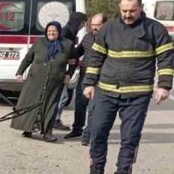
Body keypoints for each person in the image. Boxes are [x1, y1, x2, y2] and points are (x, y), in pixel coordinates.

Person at [77, 0, 173, 174]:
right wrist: (89, 83)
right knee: (97, 132)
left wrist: (164, 86)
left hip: (137, 94)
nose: (128, 15)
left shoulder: (155, 29)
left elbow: (166, 58)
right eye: (124, 11)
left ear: (141, 8)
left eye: (132, 11)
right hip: (106, 91)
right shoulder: (109, 28)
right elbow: (96, 57)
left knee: (130, 138)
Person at [11, 21, 78, 142]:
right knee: (31, 104)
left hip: (55, 82)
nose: (51, 33)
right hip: (35, 80)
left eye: (54, 31)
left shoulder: (67, 45)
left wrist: (69, 74)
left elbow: (74, 61)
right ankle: (28, 129)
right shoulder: (39, 43)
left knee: (51, 106)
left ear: (59, 32)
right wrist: (20, 72)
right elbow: (28, 59)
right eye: (49, 31)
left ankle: (47, 132)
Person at [63, 13, 107, 144]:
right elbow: (79, 51)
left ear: (105, 25)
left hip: (100, 77)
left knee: (94, 107)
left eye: (97, 25)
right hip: (85, 75)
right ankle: (77, 129)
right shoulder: (88, 37)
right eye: (92, 25)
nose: (94, 27)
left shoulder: (110, 39)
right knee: (80, 104)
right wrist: (68, 56)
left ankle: (89, 135)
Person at [53, 11, 88, 130]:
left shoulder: (71, 32)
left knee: (61, 96)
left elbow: (73, 52)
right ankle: (54, 120)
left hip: (62, 69)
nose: (83, 26)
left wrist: (74, 57)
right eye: (82, 23)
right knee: (62, 96)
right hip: (56, 70)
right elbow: (59, 51)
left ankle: (53, 119)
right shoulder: (65, 33)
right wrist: (69, 59)